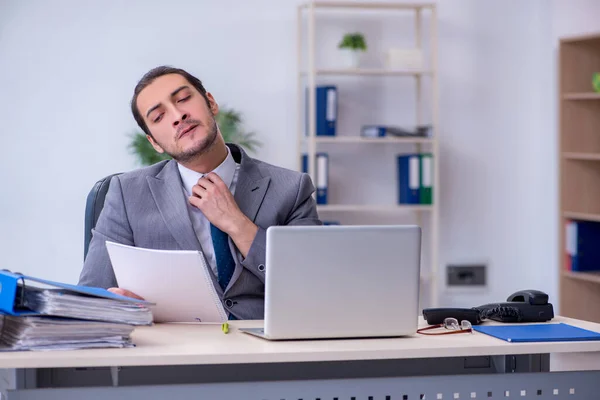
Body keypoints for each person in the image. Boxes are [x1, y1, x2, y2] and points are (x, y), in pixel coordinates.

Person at [78, 66, 322, 320]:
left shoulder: (291, 188)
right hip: (172, 350)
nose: (177, 115)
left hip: (266, 350)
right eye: (158, 116)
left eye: (183, 99)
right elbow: (91, 298)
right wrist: (118, 306)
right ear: (154, 143)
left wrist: (237, 224)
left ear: (211, 103)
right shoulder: (126, 195)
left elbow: (314, 286)